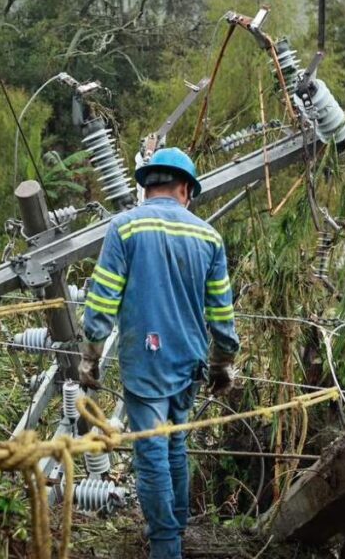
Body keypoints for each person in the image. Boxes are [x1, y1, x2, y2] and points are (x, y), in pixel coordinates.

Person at [79, 147, 241, 559]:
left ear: (147, 186)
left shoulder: (124, 228)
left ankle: (166, 546)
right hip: (189, 362)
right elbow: (221, 312)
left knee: (151, 450)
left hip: (145, 361)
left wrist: (90, 355)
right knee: (175, 443)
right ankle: (177, 528)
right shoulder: (208, 237)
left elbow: (102, 299)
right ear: (186, 189)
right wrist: (223, 363)